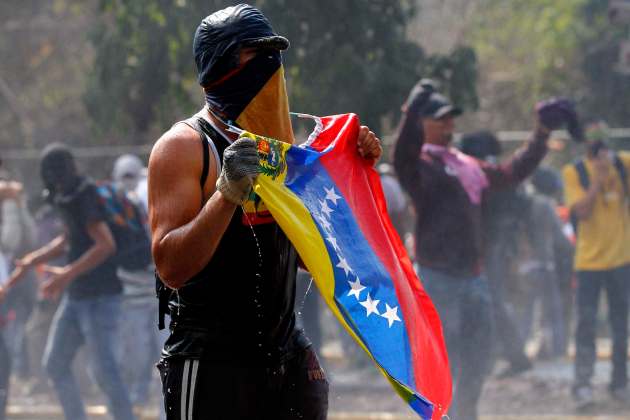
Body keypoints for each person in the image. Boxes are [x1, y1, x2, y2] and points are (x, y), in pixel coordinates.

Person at [148, 5, 382, 420]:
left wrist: (352, 174)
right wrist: (226, 194)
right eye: (255, 57)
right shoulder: (184, 147)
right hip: (212, 364)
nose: (270, 71)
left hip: (285, 357)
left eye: (274, 59)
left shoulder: (283, 150)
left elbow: (314, 258)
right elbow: (170, 267)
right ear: (219, 67)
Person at [392, 81, 578, 420]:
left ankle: (466, 414)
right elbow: (401, 156)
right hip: (439, 278)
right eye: (439, 118)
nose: (449, 124)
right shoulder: (419, 167)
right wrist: (410, 112)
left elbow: (511, 173)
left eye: (451, 118)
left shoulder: (466, 165)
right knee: (444, 361)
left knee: (479, 355)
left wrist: (541, 133)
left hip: (473, 277)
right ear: (423, 124)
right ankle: (443, 415)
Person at [5, 144, 137, 420]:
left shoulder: (84, 195)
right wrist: (32, 260)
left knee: (105, 372)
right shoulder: (64, 196)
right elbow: (69, 239)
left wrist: (65, 274)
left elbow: (105, 245)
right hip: (77, 297)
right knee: (55, 364)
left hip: (101, 297)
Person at [562, 121, 630, 408]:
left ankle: (619, 383)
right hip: (588, 262)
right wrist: (599, 180)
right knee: (586, 324)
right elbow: (582, 212)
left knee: (620, 325)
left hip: (621, 259)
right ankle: (582, 385)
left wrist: (613, 170)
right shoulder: (574, 172)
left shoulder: (624, 164)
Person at [459, 131, 532, 378]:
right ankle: (503, 355)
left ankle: (511, 355)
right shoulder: (496, 171)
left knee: (492, 301)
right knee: (491, 301)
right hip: (494, 245)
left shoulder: (481, 172)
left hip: (489, 246)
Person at [111, 154, 163, 408]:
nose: (129, 181)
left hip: (159, 290)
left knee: (163, 349)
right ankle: (137, 398)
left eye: (133, 175)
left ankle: (163, 402)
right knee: (137, 353)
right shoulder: (113, 207)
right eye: (124, 176)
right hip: (131, 294)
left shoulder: (149, 196)